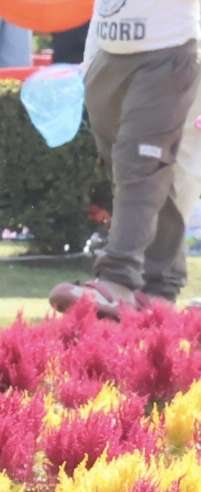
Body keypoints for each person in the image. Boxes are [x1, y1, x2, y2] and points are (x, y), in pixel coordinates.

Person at [53, 0, 199, 314]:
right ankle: (158, 288)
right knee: (136, 171)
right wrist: (90, 63)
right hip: (107, 53)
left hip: (168, 51)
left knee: (141, 166)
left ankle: (118, 278)